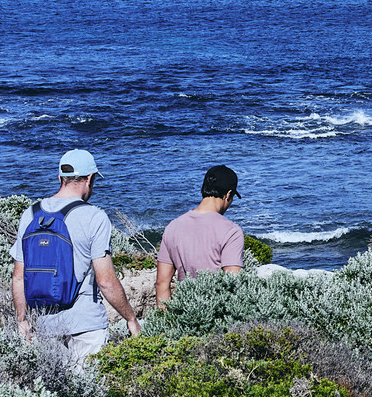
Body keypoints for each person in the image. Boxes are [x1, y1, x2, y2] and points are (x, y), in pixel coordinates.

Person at [13, 148, 141, 358]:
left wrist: (22, 320)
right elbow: (106, 282)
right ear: (89, 178)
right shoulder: (94, 217)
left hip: (45, 323)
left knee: (55, 389)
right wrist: (130, 318)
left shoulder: (31, 214)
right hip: (86, 324)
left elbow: (19, 276)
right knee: (90, 388)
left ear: (60, 177)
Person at [155, 164, 249, 306]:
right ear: (228, 194)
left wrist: (165, 324)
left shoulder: (172, 226)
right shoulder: (231, 231)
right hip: (217, 317)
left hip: (185, 314)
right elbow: (233, 285)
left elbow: (161, 283)